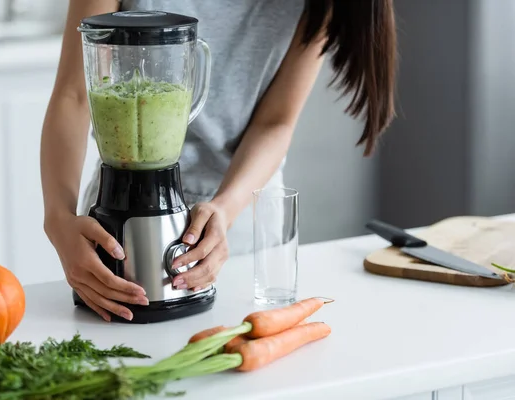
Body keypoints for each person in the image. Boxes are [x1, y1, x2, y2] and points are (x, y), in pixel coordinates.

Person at [40, 0, 397, 321]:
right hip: (114, 210)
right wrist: (58, 218)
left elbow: (276, 121)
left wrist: (224, 210)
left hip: (238, 221)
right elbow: (74, 95)